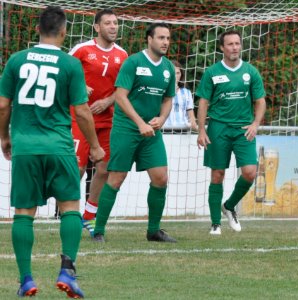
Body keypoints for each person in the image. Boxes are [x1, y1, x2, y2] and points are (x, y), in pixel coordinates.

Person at [0, 6, 104, 298]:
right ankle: (67, 272)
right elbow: (82, 112)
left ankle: (26, 280)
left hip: (26, 147)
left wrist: (4, 139)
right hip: (59, 146)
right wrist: (94, 146)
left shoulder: (17, 60)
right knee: (70, 205)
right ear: (63, 31)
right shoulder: (70, 64)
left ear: (37, 30)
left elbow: (2, 105)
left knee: (24, 212)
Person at [91, 22, 177, 243]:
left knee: (161, 178)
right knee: (117, 178)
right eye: (161, 38)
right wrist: (140, 123)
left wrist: (163, 118)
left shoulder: (168, 68)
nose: (165, 42)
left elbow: (168, 99)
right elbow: (120, 96)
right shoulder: (134, 62)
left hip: (151, 132)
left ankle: (153, 231)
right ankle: (98, 230)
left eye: (167, 38)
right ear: (149, 39)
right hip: (126, 129)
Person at [196, 30, 266, 235]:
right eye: (230, 44)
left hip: (244, 129)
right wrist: (201, 130)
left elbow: (260, 101)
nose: (234, 47)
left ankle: (229, 206)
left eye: (237, 43)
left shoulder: (250, 72)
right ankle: (215, 224)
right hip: (218, 128)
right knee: (217, 174)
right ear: (222, 47)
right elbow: (203, 102)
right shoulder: (212, 72)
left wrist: (255, 124)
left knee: (250, 172)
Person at [69, 8, 128, 237]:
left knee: (104, 168)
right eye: (108, 23)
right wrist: (79, 87)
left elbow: (124, 88)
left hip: (108, 118)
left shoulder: (122, 55)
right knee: (78, 168)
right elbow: (64, 73)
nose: (113, 27)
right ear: (97, 27)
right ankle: (69, 214)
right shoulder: (82, 50)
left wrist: (107, 101)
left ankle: (89, 216)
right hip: (80, 118)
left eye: (115, 23)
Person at [163, 60, 198, 132]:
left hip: (183, 129)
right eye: (173, 73)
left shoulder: (186, 92)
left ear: (181, 74)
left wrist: (193, 122)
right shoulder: (161, 90)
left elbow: (190, 112)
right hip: (166, 128)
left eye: (178, 73)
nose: (176, 76)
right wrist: (170, 93)